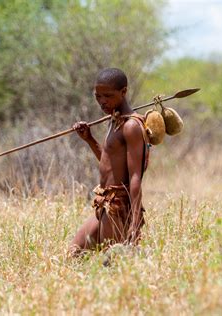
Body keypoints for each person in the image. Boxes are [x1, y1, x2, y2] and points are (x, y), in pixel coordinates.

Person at [68, 68, 149, 257]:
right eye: (98, 96)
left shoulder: (131, 126)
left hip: (118, 206)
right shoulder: (115, 119)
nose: (102, 101)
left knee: (113, 265)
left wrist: (135, 221)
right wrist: (89, 139)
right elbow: (110, 161)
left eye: (108, 96)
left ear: (124, 92)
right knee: (74, 254)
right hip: (103, 203)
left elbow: (135, 176)